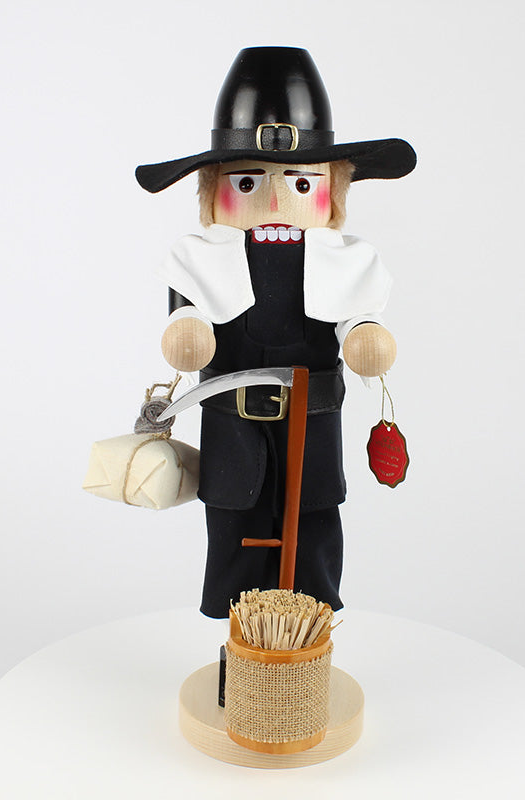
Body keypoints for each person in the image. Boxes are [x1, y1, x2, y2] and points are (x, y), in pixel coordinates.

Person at [135, 47, 416, 617]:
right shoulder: (197, 259)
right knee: (233, 519)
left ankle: (307, 634)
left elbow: (358, 318)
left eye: (301, 184)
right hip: (231, 419)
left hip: (313, 418)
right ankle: (243, 636)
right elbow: (185, 319)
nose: (273, 199)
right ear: (212, 189)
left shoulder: (348, 261)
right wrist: (188, 330)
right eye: (246, 182)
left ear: (332, 192)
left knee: (313, 516)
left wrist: (364, 335)